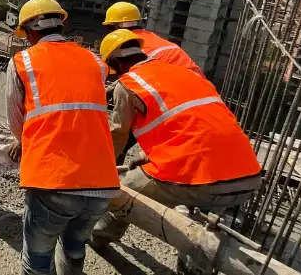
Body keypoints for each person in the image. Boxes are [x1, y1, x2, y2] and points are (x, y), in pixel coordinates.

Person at [92, 29, 263, 272]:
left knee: (125, 190)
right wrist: (147, 156)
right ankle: (192, 266)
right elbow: (192, 126)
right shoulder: (185, 74)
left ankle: (98, 236)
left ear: (116, 63)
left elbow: (118, 135)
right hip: (247, 178)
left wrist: (97, 164)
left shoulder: (130, 84)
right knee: (199, 226)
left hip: (201, 178)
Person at [6, 0, 121, 275]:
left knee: (38, 258)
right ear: (61, 25)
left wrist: (26, 142)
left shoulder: (23, 62)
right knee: (74, 248)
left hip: (54, 180)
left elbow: (15, 119)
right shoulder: (96, 62)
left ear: (30, 31)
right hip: (102, 183)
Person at [102, 1, 202, 76]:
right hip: (201, 85)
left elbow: (133, 79)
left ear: (115, 27)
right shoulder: (149, 37)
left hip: (179, 85)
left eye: (109, 28)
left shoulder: (129, 47)